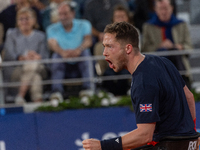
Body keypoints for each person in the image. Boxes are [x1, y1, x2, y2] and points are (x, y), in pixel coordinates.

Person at [82, 21, 199, 150]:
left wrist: (102, 145)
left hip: (169, 145)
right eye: (104, 46)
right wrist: (192, 133)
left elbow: (145, 135)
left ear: (128, 48)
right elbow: (189, 96)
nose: (104, 52)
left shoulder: (143, 82)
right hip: (189, 142)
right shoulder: (163, 61)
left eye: (110, 46)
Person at [46, 2, 93, 101]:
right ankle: (56, 91)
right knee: (56, 56)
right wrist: (62, 52)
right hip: (63, 60)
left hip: (79, 57)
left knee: (86, 54)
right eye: (60, 14)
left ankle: (88, 89)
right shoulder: (52, 28)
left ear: (73, 13)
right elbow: (52, 44)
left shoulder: (84, 24)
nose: (62, 17)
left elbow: (88, 41)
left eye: (65, 14)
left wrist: (78, 50)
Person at [141, 0, 192, 89]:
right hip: (158, 65)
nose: (163, 12)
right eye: (161, 9)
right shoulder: (148, 27)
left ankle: (183, 82)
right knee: (163, 52)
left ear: (171, 8)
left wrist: (180, 47)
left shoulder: (181, 24)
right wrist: (160, 46)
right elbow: (145, 50)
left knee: (174, 51)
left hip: (178, 63)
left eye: (166, 8)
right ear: (155, 9)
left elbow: (189, 47)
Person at [3, 7, 49, 104]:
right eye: (21, 19)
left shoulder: (41, 36)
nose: (24, 21)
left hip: (39, 67)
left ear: (34, 20)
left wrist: (37, 56)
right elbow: (9, 54)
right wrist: (21, 58)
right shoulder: (11, 34)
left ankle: (20, 96)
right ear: (17, 21)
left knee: (32, 64)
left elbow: (45, 55)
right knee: (36, 78)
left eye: (27, 18)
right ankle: (38, 104)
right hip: (17, 69)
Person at [94, 5, 132, 95]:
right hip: (110, 66)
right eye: (117, 17)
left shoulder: (135, 34)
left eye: (122, 17)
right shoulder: (107, 37)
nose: (120, 20)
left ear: (128, 18)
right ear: (113, 20)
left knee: (124, 73)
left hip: (128, 67)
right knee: (109, 74)